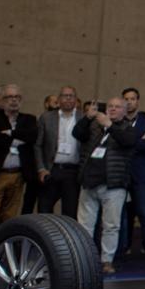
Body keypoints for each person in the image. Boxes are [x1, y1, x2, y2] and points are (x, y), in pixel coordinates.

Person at [74, 97, 136, 275]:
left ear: (125, 111)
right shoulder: (94, 126)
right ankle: (84, 258)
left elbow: (127, 141)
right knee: (85, 224)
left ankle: (106, 261)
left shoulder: (127, 129)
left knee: (111, 226)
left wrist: (110, 125)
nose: (113, 109)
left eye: (117, 107)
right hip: (89, 182)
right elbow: (77, 134)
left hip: (113, 185)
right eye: (110, 106)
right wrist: (87, 118)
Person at [0, 85, 38, 244]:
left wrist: (9, 133)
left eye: (17, 97)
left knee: (9, 218)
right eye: (9, 97)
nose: (14, 100)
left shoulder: (28, 119)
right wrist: (17, 139)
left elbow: (32, 136)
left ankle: (3, 252)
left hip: (17, 175)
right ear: (0, 99)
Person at [117, 87, 145, 270]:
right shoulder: (117, 121)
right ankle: (119, 256)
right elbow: (117, 143)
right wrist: (137, 140)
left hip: (141, 176)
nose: (129, 102)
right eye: (126, 99)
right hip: (120, 175)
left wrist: (128, 142)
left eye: (132, 99)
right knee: (120, 217)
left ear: (138, 101)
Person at [35, 86, 83, 217]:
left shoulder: (83, 118)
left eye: (71, 96)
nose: (68, 98)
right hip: (51, 169)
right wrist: (41, 168)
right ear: (59, 99)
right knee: (44, 209)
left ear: (75, 99)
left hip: (73, 172)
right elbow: (38, 145)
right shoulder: (46, 118)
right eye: (64, 95)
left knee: (70, 211)